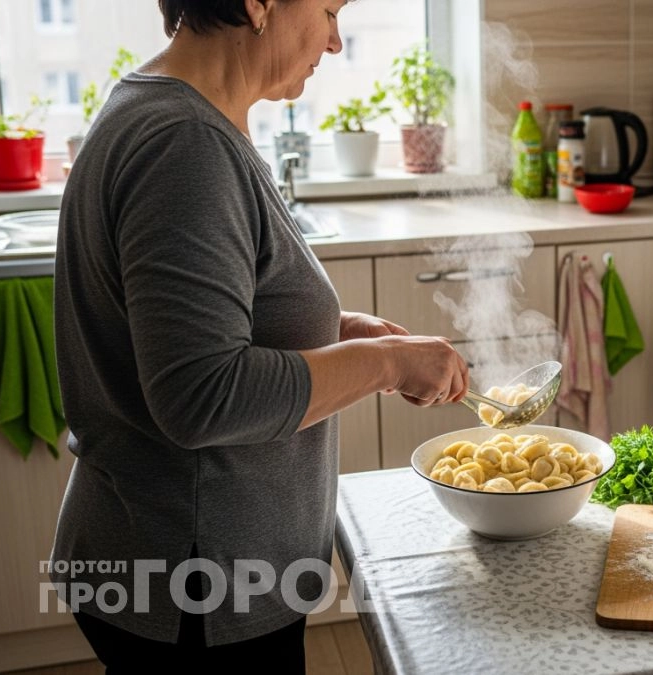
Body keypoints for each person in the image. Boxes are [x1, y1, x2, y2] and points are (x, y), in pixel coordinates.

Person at [50, 1, 469, 671]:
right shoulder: (185, 144)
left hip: (187, 565)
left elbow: (201, 318)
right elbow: (202, 395)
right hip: (201, 581)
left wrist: (336, 329)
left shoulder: (174, 111)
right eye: (329, 10)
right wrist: (384, 361)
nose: (335, 41)